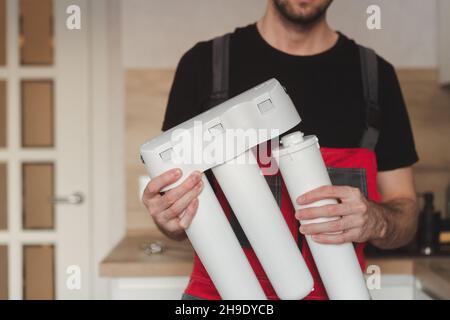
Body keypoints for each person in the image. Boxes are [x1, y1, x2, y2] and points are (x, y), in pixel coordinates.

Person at [142, 0, 419, 300]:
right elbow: (179, 217)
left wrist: (377, 219)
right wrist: (168, 217)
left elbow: (406, 215)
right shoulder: (204, 66)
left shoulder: (377, 78)